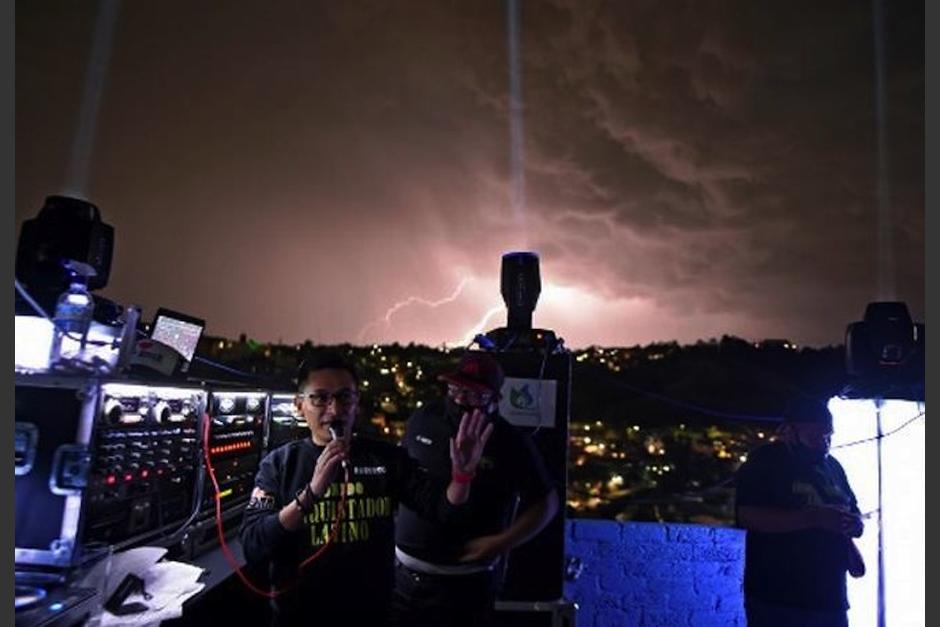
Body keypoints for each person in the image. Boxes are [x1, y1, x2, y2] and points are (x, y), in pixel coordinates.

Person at [240, 351, 492, 627]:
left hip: (373, 614)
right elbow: (254, 544)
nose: (334, 410)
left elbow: (444, 511)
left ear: (356, 402)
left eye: (344, 397)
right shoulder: (278, 464)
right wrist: (311, 493)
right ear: (300, 405)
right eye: (321, 398)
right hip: (299, 616)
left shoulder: (386, 458)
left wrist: (462, 477)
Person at [392, 352, 559, 627]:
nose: (459, 400)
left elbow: (546, 502)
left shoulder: (510, 442)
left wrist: (503, 542)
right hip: (402, 579)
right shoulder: (425, 417)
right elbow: (403, 473)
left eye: (472, 395)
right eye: (455, 389)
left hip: (464, 587)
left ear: (495, 400)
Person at [736, 397, 865, 627]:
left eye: (828, 436)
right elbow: (748, 515)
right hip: (779, 599)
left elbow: (855, 515)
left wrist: (853, 524)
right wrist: (813, 518)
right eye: (815, 437)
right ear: (788, 431)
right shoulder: (766, 460)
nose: (823, 443)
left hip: (831, 599)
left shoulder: (833, 466)